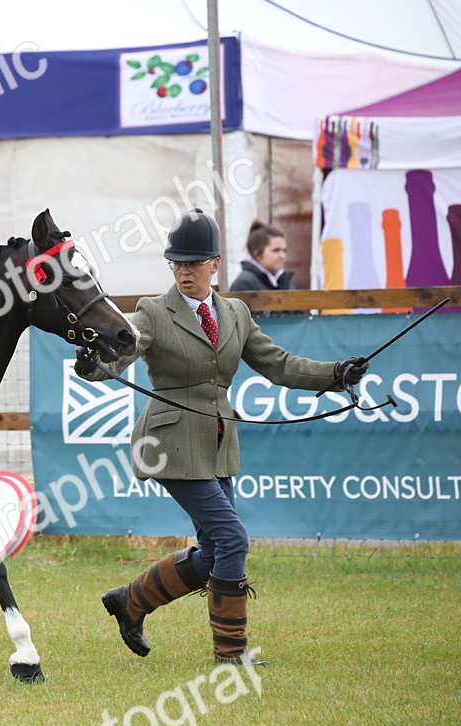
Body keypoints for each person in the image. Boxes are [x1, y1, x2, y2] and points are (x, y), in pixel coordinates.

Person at [74, 208, 368, 667]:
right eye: (176, 263)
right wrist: (94, 364)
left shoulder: (235, 313)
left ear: (215, 263)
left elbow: (279, 364)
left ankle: (129, 601)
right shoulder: (154, 311)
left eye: (193, 263)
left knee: (215, 550)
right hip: (168, 444)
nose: (183, 271)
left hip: (216, 444)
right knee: (232, 539)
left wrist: (335, 373)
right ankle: (230, 653)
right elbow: (122, 353)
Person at [229, 220, 294, 293]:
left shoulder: (285, 281)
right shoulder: (244, 284)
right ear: (258, 255)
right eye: (276, 250)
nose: (282, 256)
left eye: (284, 250)